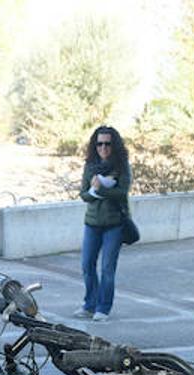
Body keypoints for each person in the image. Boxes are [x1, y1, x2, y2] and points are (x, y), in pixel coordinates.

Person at [76, 125, 132, 323]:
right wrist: (93, 190)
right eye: (99, 143)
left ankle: (103, 307)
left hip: (114, 225)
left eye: (107, 143)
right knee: (86, 265)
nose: (103, 148)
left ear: (114, 145)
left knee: (107, 268)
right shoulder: (90, 166)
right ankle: (89, 304)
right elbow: (83, 195)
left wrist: (101, 188)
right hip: (92, 223)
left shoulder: (122, 166)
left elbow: (122, 191)